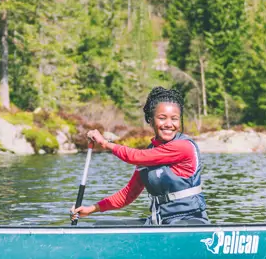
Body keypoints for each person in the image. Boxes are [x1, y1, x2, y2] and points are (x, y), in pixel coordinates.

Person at [70, 87, 210, 226]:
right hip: (160, 221)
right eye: (162, 118)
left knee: (174, 231)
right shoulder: (149, 155)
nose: (169, 124)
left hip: (189, 220)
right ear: (150, 120)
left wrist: (105, 143)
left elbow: (134, 156)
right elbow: (128, 194)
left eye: (175, 119)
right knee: (101, 226)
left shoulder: (183, 147)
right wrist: (91, 209)